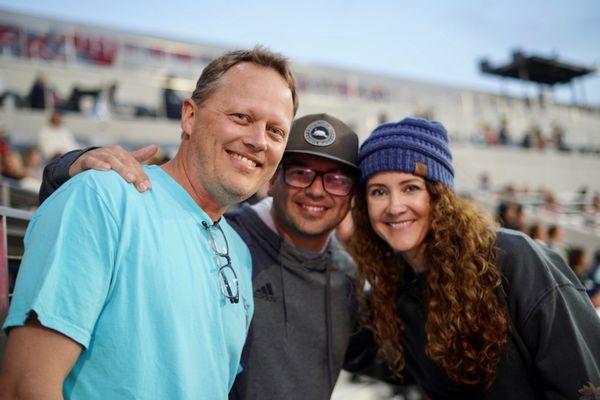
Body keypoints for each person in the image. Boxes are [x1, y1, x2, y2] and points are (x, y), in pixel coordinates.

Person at [0, 47, 298, 399]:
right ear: (189, 116)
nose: (258, 140)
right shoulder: (103, 198)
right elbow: (25, 386)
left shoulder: (237, 250)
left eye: (276, 131)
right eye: (241, 117)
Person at [36, 113, 379, 400]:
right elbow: (113, 214)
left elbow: (381, 354)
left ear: (351, 195)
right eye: (301, 172)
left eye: (336, 179)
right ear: (273, 179)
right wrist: (68, 167)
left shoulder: (347, 274)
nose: (317, 189)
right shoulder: (223, 238)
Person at [348, 117, 600, 399]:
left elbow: (584, 382)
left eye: (411, 187)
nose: (395, 207)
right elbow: (360, 349)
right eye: (378, 191)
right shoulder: (396, 290)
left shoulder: (513, 259)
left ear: (440, 195)